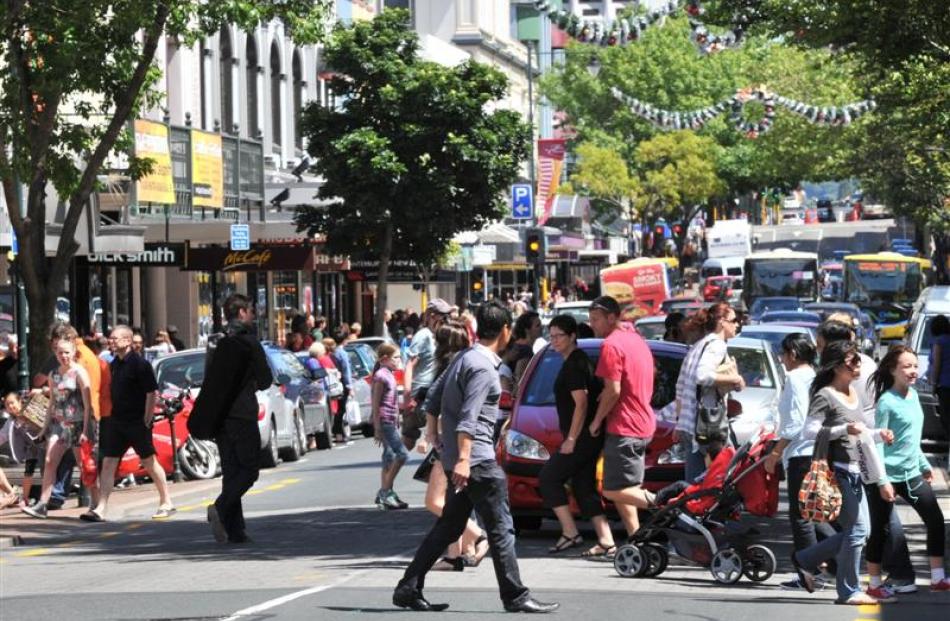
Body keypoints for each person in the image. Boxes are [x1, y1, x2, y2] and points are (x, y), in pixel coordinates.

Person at [393, 302, 559, 614]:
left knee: (450, 526)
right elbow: (469, 418)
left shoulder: (464, 358)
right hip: (477, 460)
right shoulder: (483, 368)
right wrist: (464, 460)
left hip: (460, 457)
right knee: (502, 529)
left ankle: (407, 587)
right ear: (506, 330)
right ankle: (515, 595)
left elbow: (432, 398)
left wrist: (435, 437)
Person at [790, 340, 896, 605]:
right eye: (853, 361)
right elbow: (809, 431)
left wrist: (878, 435)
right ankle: (848, 590)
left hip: (856, 469)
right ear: (837, 366)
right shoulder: (825, 395)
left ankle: (806, 558)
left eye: (858, 359)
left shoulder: (853, 393)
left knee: (863, 531)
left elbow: (857, 432)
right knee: (858, 530)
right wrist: (842, 430)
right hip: (835, 470)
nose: (858, 364)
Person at [818, 318, 917, 589]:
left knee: (878, 514)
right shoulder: (856, 368)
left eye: (821, 342)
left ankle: (898, 571)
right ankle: (830, 565)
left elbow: (857, 418)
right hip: (863, 447)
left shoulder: (850, 372)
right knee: (863, 517)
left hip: (864, 451)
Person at [866, 345, 950, 594]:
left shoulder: (913, 397)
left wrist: (924, 465)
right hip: (887, 475)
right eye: (906, 366)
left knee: (935, 521)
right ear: (893, 370)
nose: (913, 371)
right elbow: (878, 444)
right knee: (880, 530)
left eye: (915, 365)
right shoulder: (886, 402)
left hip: (911, 473)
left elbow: (911, 439)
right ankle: (874, 584)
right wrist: (882, 481)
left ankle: (937, 578)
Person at [764, 334, 837, 590]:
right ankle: (837, 562)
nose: (782, 360)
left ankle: (809, 572)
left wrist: (775, 452)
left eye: (783, 355)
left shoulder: (795, 378)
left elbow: (795, 423)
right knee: (814, 513)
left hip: (801, 453)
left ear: (792, 354)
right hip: (817, 451)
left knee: (801, 517)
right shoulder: (814, 376)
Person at [539, 315, 615, 559]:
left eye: (559, 335)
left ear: (572, 336)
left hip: (581, 438)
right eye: (551, 336)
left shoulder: (575, 364)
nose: (554, 340)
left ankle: (570, 532)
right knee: (583, 487)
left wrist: (570, 439)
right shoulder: (575, 360)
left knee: (549, 477)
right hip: (587, 436)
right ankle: (606, 540)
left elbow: (581, 404)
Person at [203, 294, 273, 543]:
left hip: (220, 415)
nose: (253, 315)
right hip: (242, 412)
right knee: (249, 470)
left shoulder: (214, 341)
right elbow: (266, 379)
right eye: (251, 310)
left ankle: (235, 529)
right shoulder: (249, 342)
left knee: (231, 470)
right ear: (242, 313)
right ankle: (221, 508)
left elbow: (210, 378)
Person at [418, 320, 487, 571]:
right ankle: (453, 554)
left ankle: (478, 536)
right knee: (453, 499)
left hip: (450, 442)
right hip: (464, 440)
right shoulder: (470, 363)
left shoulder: (449, 367)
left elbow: (432, 401)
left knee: (434, 500)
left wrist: (429, 435)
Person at [587, 295, 657, 539]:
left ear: (611, 317)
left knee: (611, 490)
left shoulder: (611, 345)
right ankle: (636, 538)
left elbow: (612, 390)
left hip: (625, 426)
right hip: (642, 422)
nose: (592, 324)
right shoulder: (635, 339)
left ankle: (669, 505)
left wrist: (596, 420)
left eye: (595, 319)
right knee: (627, 488)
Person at [92, 325, 175, 521]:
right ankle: (101, 508)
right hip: (116, 421)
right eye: (110, 338)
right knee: (108, 462)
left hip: (136, 422)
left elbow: (151, 392)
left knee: (148, 461)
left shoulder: (140, 364)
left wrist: (147, 418)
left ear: (128, 341)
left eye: (115, 338)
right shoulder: (114, 364)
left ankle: (166, 501)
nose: (111, 341)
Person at [22, 337, 97, 519]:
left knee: (84, 465)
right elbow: (52, 403)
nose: (63, 355)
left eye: (66, 352)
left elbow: (88, 405)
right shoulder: (53, 374)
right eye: (59, 352)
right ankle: (42, 504)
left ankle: (96, 503)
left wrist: (86, 430)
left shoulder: (79, 372)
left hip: (78, 424)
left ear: (73, 353)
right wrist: (43, 429)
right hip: (59, 424)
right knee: (49, 460)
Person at [674, 303, 745, 483]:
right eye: (734, 321)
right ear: (722, 322)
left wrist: (679, 421)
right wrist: (735, 380)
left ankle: (690, 509)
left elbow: (680, 387)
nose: (737, 325)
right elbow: (703, 376)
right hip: (708, 424)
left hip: (692, 424)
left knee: (695, 480)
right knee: (725, 476)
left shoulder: (698, 345)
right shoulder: (717, 345)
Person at [402, 299, 451, 449]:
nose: (446, 319)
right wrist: (407, 396)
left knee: (440, 432)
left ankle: (428, 440)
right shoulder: (423, 335)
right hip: (420, 393)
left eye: (447, 315)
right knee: (407, 443)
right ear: (431, 315)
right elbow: (409, 365)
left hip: (433, 392)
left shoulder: (442, 334)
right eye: (442, 315)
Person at [372, 343, 409, 510]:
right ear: (384, 359)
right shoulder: (380, 376)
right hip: (385, 421)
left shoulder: (390, 374)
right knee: (402, 454)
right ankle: (384, 491)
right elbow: (375, 403)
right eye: (395, 357)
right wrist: (377, 427)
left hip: (392, 421)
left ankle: (388, 494)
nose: (398, 360)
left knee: (388, 458)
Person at [927, 315, 950, 449]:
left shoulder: (939, 342)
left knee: (946, 419)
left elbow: (937, 364)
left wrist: (934, 385)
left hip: (945, 386)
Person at [504, 311, 541, 385]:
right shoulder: (525, 351)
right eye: (538, 325)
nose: (541, 327)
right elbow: (521, 379)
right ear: (527, 330)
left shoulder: (516, 346)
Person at [328, 336, 353, 444]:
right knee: (341, 409)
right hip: (341, 383)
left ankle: (338, 432)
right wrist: (349, 386)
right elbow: (346, 370)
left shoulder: (331, 353)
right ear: (344, 340)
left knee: (337, 409)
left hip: (332, 383)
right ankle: (339, 432)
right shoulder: (342, 353)